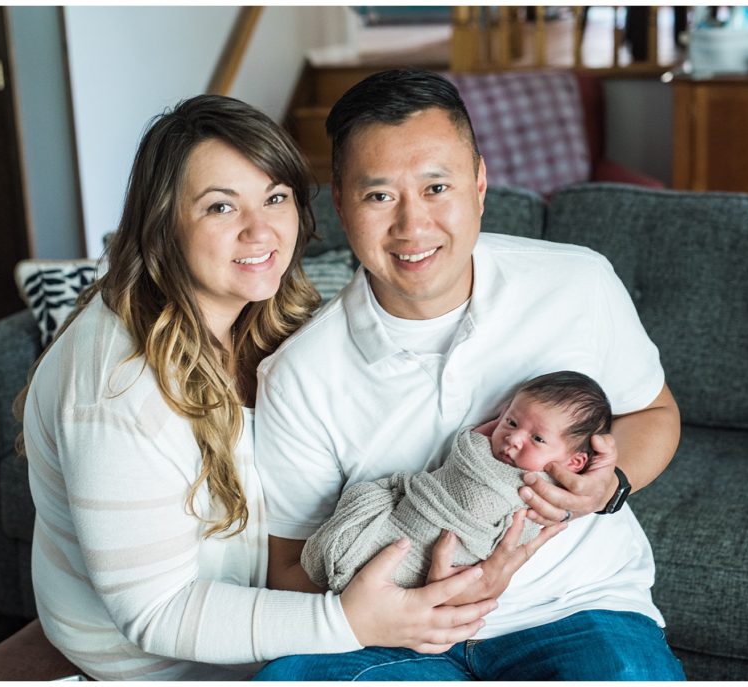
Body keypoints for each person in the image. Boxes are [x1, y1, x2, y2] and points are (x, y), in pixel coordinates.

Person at [14, 93, 528, 681]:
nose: (260, 231)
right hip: (162, 660)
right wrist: (352, 622)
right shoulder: (117, 382)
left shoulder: (266, 320)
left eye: (275, 197)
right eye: (220, 207)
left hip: (273, 612)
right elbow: (155, 612)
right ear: (163, 223)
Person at [253, 69, 685, 680]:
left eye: (437, 187)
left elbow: (655, 412)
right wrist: (394, 613)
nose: (413, 226)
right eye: (379, 196)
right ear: (341, 204)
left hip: (576, 607)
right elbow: (289, 569)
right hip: (393, 636)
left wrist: (608, 487)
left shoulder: (578, 282)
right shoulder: (297, 374)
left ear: (479, 184)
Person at [302, 371, 610, 593]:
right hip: (408, 519)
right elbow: (467, 450)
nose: (514, 439)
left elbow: (519, 534)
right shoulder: (478, 450)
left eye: (538, 438)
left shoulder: (543, 494)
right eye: (511, 422)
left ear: (573, 463)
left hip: (460, 567)